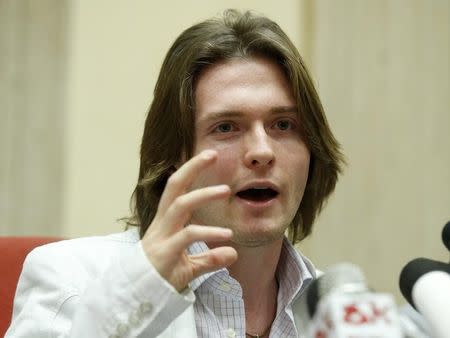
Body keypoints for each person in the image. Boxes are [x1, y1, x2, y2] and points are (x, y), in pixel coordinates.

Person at [6, 9, 344, 338]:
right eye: (226, 127)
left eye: (283, 125)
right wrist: (143, 289)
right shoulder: (69, 278)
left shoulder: (342, 312)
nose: (261, 151)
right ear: (174, 159)